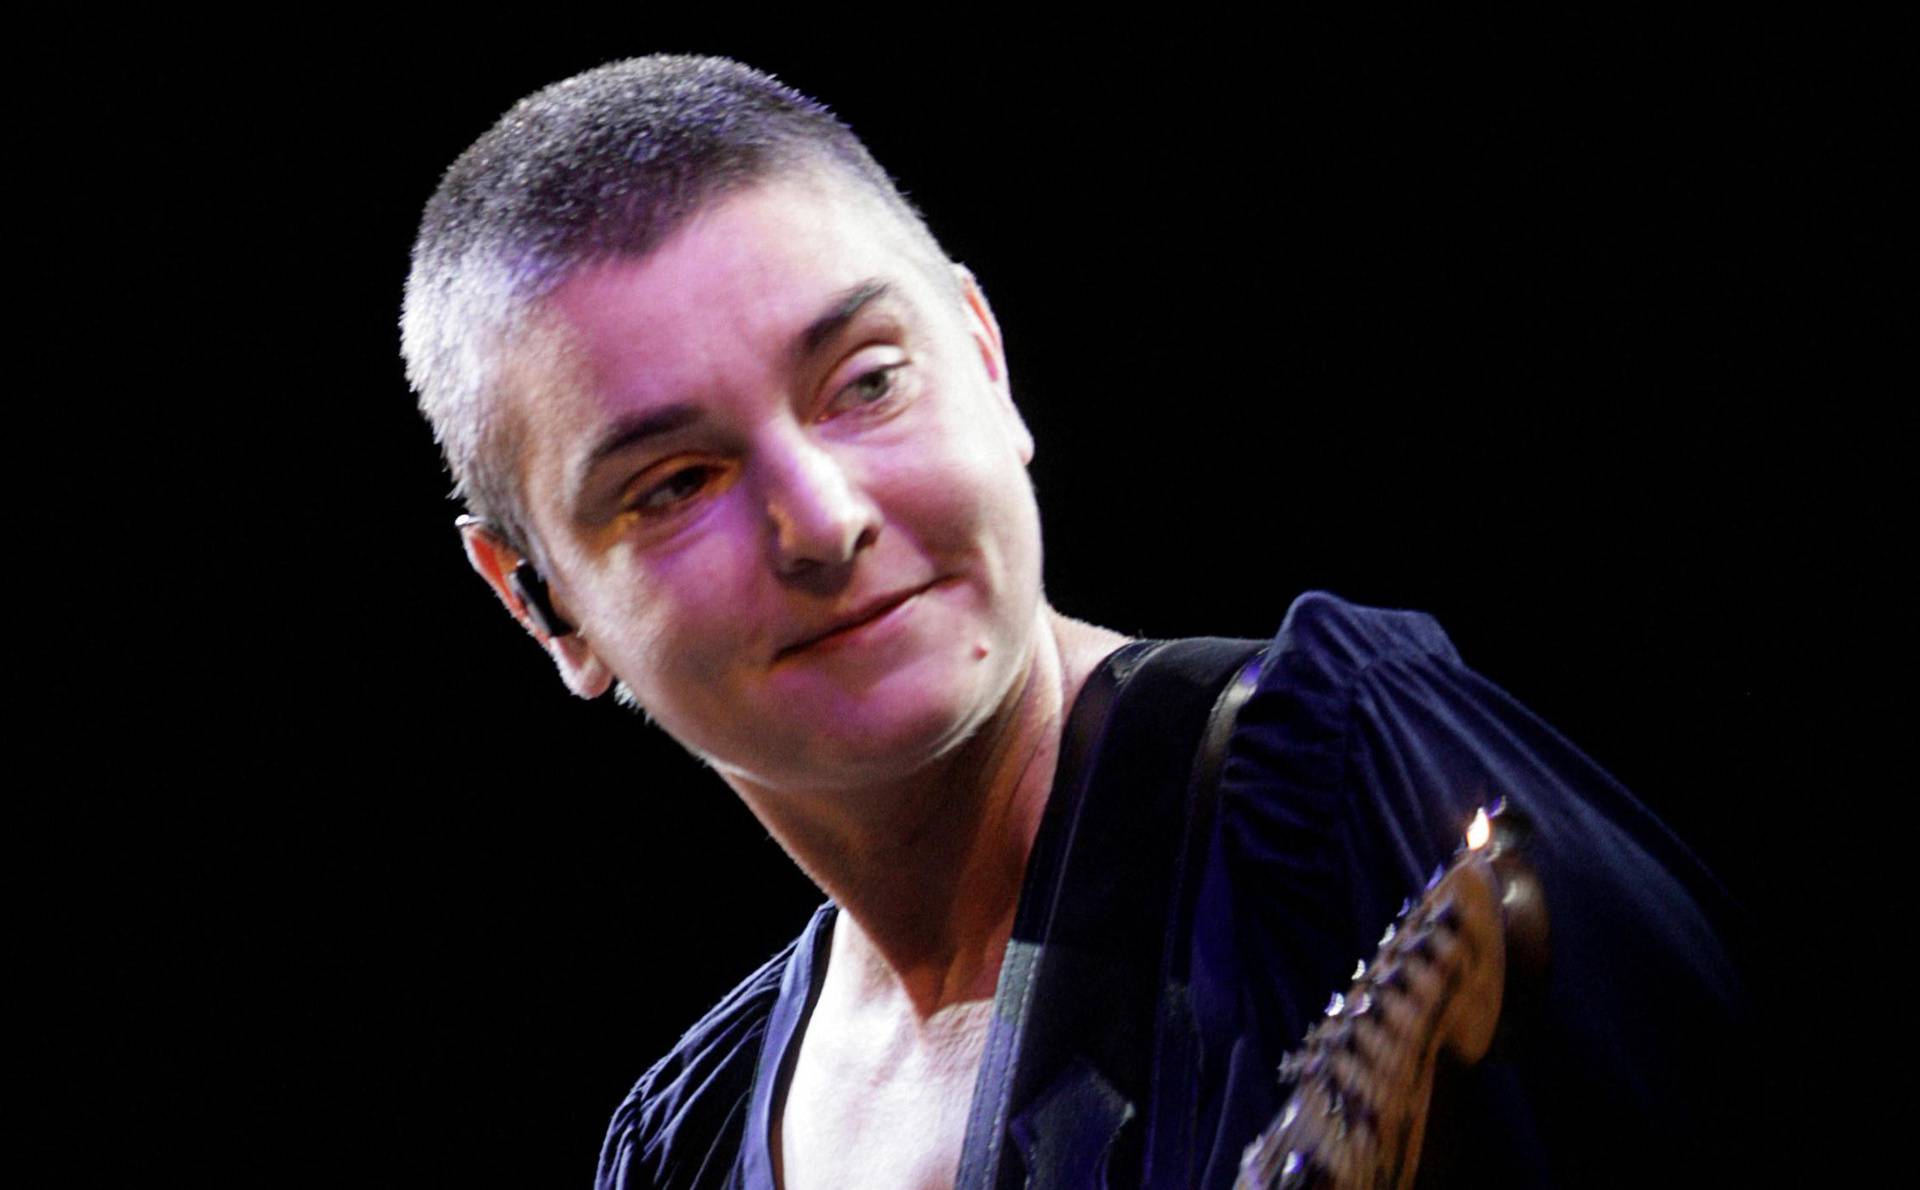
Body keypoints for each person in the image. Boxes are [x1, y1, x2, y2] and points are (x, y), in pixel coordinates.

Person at [403, 56, 1751, 1189]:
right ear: (542, 602)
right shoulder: (682, 1146)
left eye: (867, 380)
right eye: (678, 482)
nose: (822, 519)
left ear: (985, 361)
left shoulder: (1332, 789)